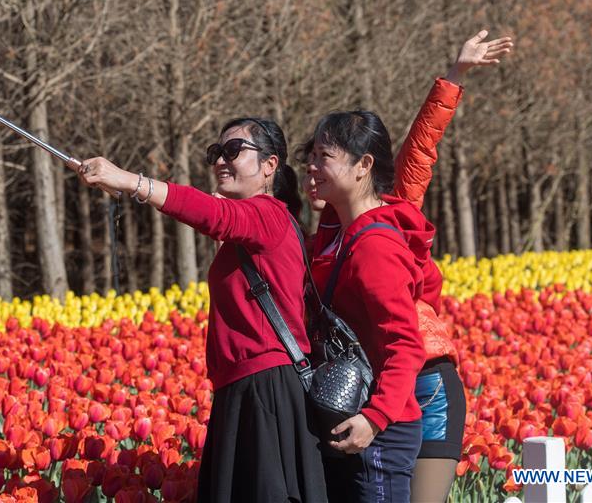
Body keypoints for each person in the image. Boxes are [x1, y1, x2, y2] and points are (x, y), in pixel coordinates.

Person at [303, 30, 513, 502]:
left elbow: (420, 151)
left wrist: (454, 76)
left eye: (323, 157)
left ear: (362, 167)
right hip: (371, 388)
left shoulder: (386, 222)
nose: (312, 168)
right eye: (309, 157)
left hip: (424, 384)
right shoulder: (324, 240)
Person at [76, 117, 327, 503]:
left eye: (233, 151)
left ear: (269, 166)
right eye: (216, 153)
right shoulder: (256, 226)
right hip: (243, 386)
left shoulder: (269, 215)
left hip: (266, 386)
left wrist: (130, 181)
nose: (221, 161)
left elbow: (214, 215)